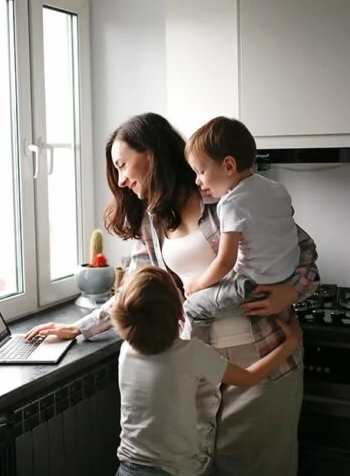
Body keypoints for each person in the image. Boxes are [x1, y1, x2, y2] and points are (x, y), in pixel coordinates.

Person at [26, 112, 319, 476]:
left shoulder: (225, 191)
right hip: (194, 362)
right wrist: (81, 328)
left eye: (123, 164)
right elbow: (137, 286)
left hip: (261, 350)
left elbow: (304, 251)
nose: (120, 178)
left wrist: (290, 293)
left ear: (150, 153)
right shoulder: (152, 220)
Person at [110, 265, 302, 476]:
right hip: (175, 471)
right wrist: (290, 343)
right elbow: (249, 377)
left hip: (128, 467)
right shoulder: (191, 353)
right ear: (179, 311)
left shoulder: (126, 351)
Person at [180, 116, 300, 344]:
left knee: (193, 307)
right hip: (286, 275)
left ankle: (194, 355)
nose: (197, 181)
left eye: (200, 172)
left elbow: (225, 261)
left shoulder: (231, 203)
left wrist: (197, 285)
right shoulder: (277, 189)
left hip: (253, 283)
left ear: (228, 166)